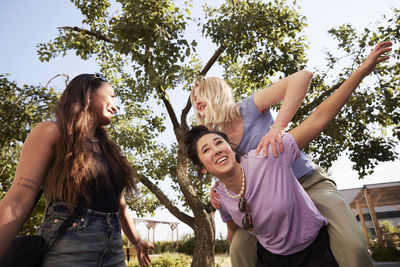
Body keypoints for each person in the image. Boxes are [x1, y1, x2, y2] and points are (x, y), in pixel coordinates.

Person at [185, 41, 391, 267]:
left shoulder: (249, 108)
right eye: (193, 100)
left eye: (199, 95)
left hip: (307, 183)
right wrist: (218, 190)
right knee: (239, 251)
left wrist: (277, 128)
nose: (196, 103)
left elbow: (302, 77)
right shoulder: (217, 139)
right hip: (270, 204)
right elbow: (229, 175)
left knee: (353, 246)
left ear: (214, 92)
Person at [0, 73, 154, 267]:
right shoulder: (51, 132)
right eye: (112, 96)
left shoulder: (109, 149)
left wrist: (137, 241)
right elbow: (18, 199)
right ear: (88, 94)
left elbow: (119, 203)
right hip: (68, 247)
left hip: (113, 252)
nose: (116, 105)